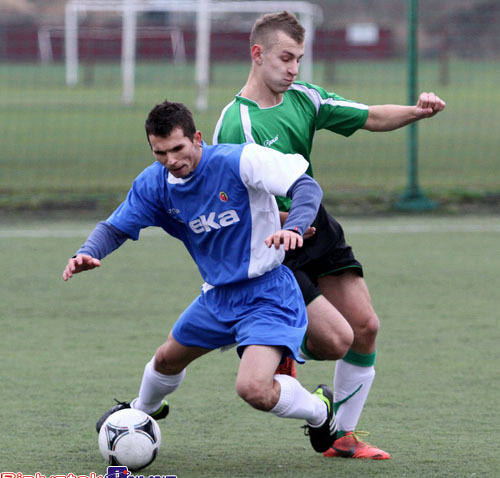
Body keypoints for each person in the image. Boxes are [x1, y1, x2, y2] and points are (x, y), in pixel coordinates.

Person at [213, 11, 446, 460]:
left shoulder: (304, 98)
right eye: (285, 58)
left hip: (316, 227)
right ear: (257, 54)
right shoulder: (235, 124)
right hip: (275, 242)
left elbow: (370, 116)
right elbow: (228, 201)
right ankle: (272, 341)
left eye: (299, 59)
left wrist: (416, 112)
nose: (293, 68)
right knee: (330, 341)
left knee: (365, 327)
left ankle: (342, 437)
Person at [62, 99, 339, 454]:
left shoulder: (239, 160)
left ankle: (319, 411)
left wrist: (296, 226)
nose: (171, 161)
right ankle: (142, 412)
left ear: (197, 138)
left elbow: (306, 188)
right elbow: (116, 227)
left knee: (253, 389)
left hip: (267, 293)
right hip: (217, 296)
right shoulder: (156, 183)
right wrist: (87, 252)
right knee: (165, 360)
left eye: (177, 148)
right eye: (159, 153)